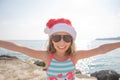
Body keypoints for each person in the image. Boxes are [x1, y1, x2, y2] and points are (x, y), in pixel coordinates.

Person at [0, 18, 120, 80]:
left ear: (71, 41)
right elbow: (19, 48)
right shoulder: (46, 56)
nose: (61, 42)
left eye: (66, 38)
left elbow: (101, 49)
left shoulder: (75, 56)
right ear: (51, 39)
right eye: (57, 37)